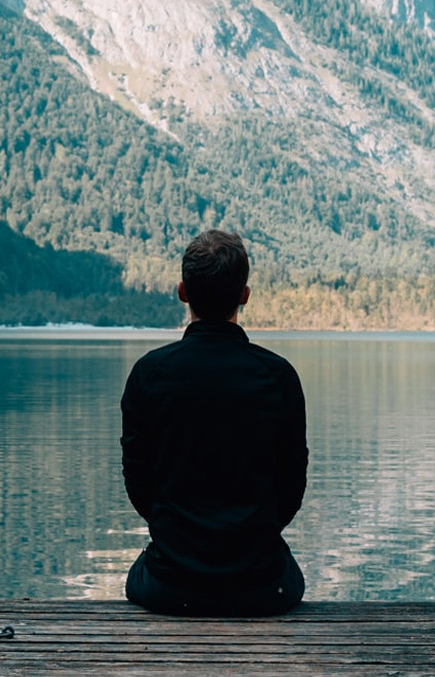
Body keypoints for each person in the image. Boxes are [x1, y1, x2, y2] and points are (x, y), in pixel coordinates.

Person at [121, 230, 308, 616]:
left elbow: (138, 482)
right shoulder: (278, 376)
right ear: (244, 295)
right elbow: (292, 485)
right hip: (263, 586)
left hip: (170, 585)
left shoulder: (149, 373)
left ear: (182, 291)